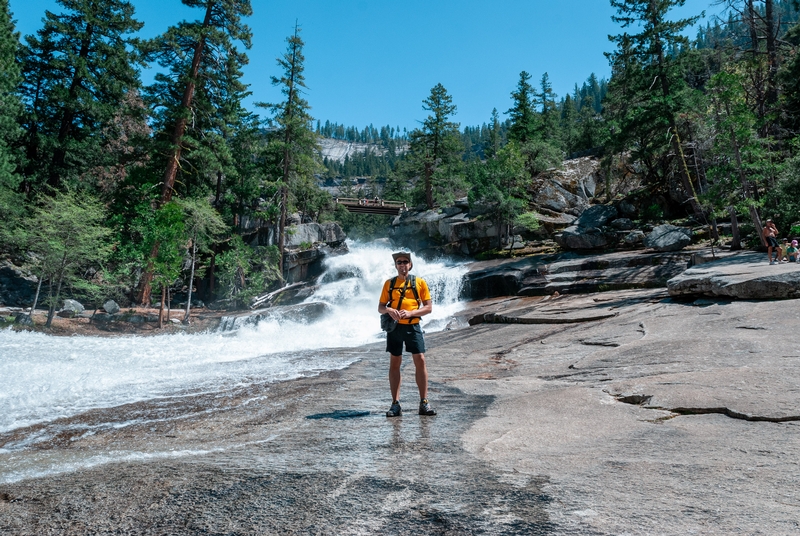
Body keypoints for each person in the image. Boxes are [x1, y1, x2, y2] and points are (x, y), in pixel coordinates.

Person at [378, 251, 436, 417]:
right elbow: (380, 307)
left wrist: (411, 313)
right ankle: (395, 404)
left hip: (413, 326)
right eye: (399, 262)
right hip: (395, 329)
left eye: (405, 262)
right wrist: (389, 310)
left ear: (410, 265)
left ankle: (424, 402)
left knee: (420, 359)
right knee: (395, 361)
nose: (402, 265)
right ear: (396, 266)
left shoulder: (419, 283)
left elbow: (428, 307)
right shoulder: (389, 284)